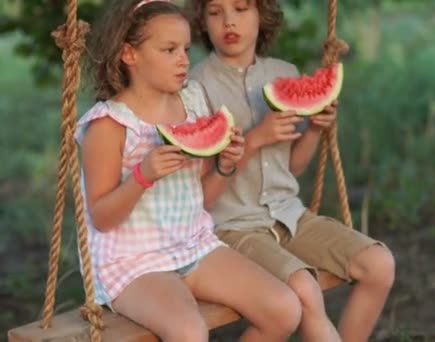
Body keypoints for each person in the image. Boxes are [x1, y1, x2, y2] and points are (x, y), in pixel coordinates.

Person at [75, 0, 301, 341]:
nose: (183, 60)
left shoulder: (193, 102)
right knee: (189, 333)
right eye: (168, 50)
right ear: (129, 54)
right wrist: (142, 176)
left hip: (194, 245)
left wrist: (225, 166)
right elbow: (102, 217)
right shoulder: (109, 125)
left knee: (285, 309)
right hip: (133, 263)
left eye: (184, 48)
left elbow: (203, 199)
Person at [187, 0, 396, 341]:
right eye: (215, 12)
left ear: (261, 14)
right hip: (235, 228)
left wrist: (315, 128)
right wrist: (255, 139)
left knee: (379, 265)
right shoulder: (195, 87)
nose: (229, 21)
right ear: (202, 21)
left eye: (241, 9)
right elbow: (200, 192)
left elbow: (293, 166)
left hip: (291, 216)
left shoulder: (284, 73)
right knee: (306, 291)